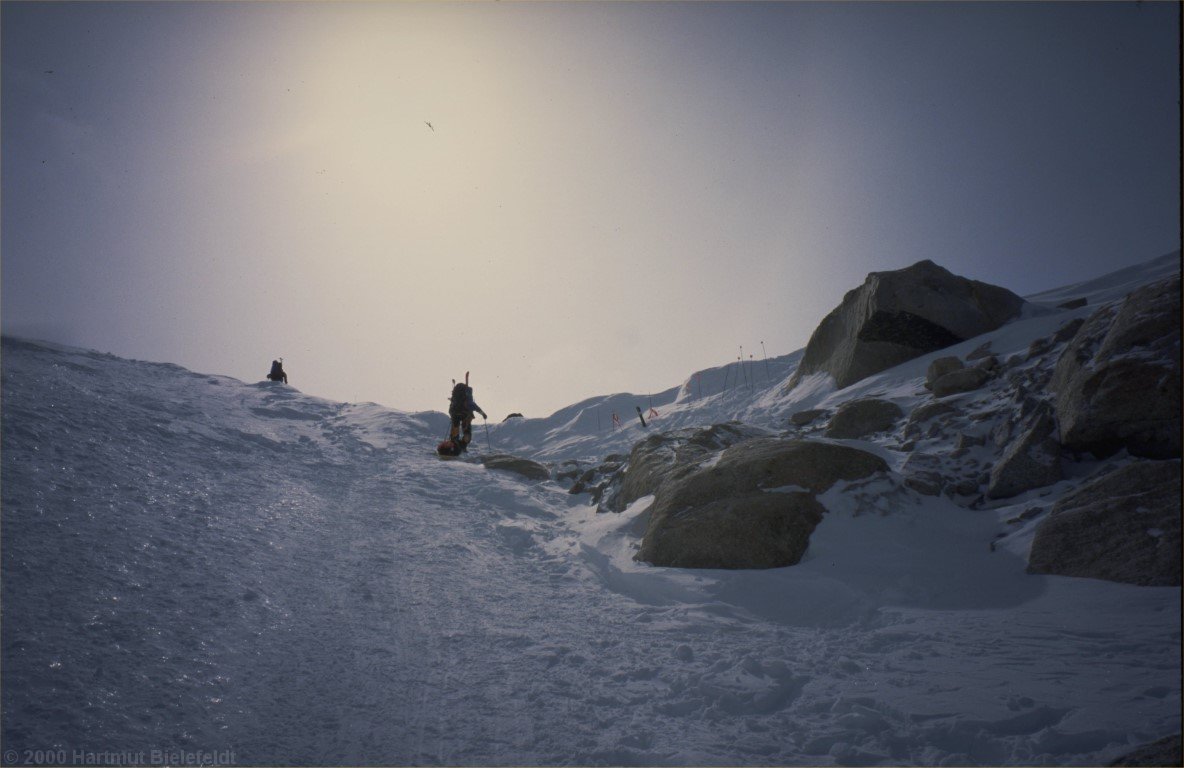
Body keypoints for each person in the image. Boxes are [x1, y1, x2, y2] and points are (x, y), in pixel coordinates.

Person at [448, 372, 487, 452]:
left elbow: (450, 410)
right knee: (467, 432)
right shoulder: (468, 398)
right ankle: (462, 446)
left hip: (455, 414)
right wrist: (483, 414)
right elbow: (475, 407)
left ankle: (454, 444)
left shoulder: (455, 399)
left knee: (455, 429)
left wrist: (452, 414)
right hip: (465, 415)